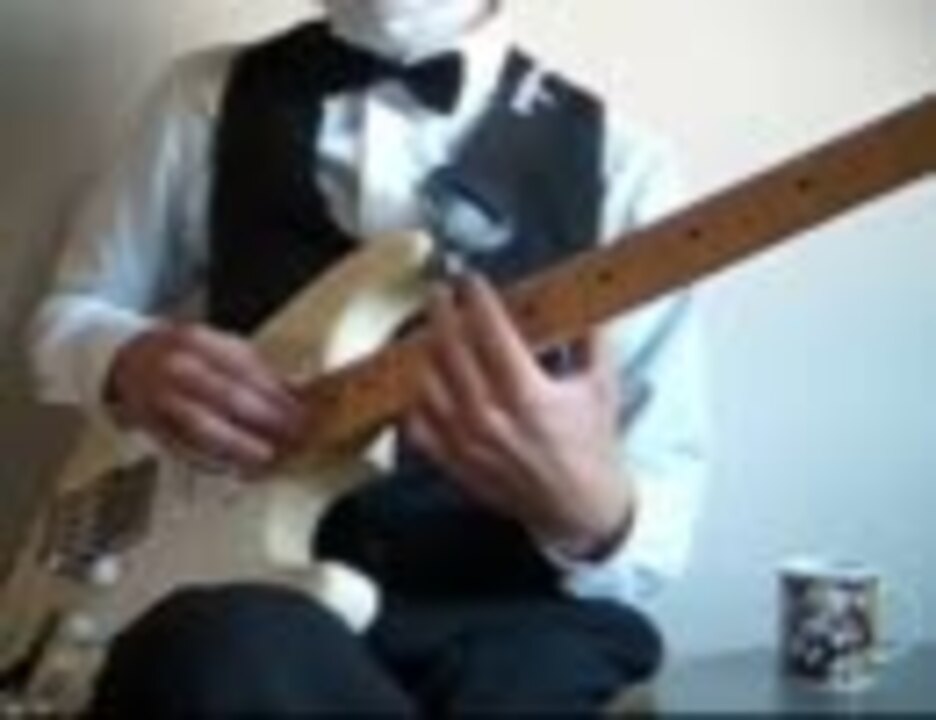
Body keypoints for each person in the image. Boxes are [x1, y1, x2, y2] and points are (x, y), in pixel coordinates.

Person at [29, 0, 708, 715]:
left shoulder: (625, 164)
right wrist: (128, 361)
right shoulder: (200, 98)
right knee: (212, 651)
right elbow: (68, 315)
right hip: (252, 605)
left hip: (514, 624)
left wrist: (591, 513)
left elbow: (661, 521)